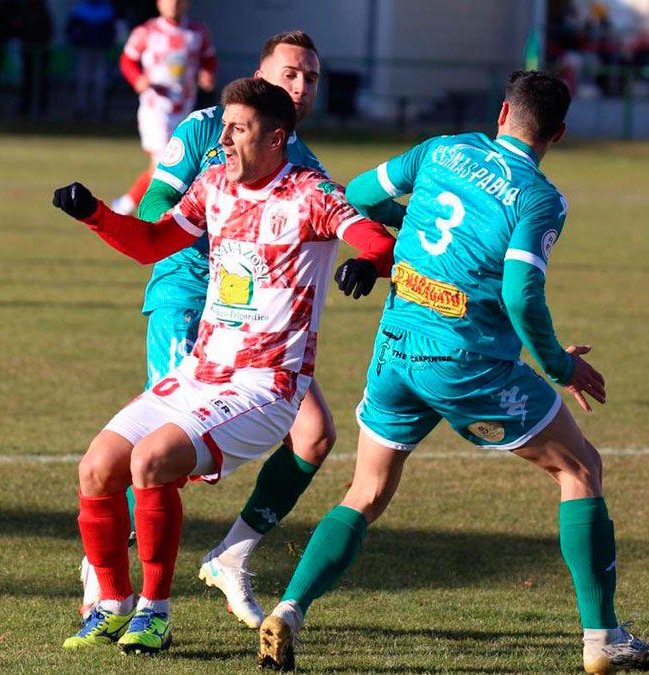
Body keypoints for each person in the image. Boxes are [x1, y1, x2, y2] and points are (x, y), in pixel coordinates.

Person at [255, 70, 649, 675]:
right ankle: (601, 638)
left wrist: (414, 227)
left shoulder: (442, 148)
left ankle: (289, 610)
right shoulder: (539, 198)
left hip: (396, 349)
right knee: (581, 468)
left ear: (502, 112)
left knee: (366, 492)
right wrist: (560, 365)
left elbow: (360, 196)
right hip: (467, 363)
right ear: (557, 133)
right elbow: (520, 294)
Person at [75, 30, 409, 630]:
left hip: (261, 375)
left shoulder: (308, 183)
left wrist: (369, 257)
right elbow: (153, 232)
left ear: (274, 134)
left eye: (311, 76)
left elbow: (366, 231)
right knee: (102, 464)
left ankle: (156, 606)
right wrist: (96, 213)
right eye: (290, 73)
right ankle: (110, 589)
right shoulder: (212, 165)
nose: (301, 86)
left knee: (166, 459)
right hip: (192, 314)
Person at [112, 0, 216, 215]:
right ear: (159, 3)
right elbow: (127, 60)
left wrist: (207, 73)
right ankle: (131, 208)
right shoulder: (147, 31)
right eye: (169, 1)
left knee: (180, 163)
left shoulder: (197, 32)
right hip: (156, 108)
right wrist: (137, 79)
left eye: (179, 1)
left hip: (185, 108)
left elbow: (209, 59)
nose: (174, 5)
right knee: (164, 163)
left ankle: (138, 207)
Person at [65, 0, 116, 120]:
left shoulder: (106, 9)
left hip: (100, 50)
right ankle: (81, 109)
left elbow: (111, 31)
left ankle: (99, 110)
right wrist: (78, 40)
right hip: (84, 49)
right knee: (82, 80)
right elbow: (71, 29)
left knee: (100, 81)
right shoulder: (80, 9)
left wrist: (105, 41)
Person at [14, 0, 53, 117]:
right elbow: (19, 28)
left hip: (40, 51)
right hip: (27, 49)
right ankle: (24, 108)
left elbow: (48, 29)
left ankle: (41, 108)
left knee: (41, 80)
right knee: (27, 79)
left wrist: (41, 44)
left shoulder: (42, 8)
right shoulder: (24, 7)